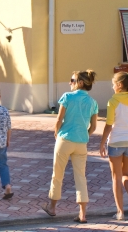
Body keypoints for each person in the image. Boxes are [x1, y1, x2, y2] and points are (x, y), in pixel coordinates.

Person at [42, 70, 98, 224]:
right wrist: (84, 134)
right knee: (80, 176)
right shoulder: (93, 102)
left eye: (72, 80)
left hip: (65, 139)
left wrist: (56, 132)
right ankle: (82, 214)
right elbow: (93, 127)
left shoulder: (67, 97)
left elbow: (59, 119)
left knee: (57, 173)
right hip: (81, 143)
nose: (70, 83)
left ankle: (52, 208)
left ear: (80, 82)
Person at [99, 72, 128, 221]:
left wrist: (102, 143)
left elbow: (109, 125)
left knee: (116, 177)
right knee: (126, 174)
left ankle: (120, 212)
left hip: (116, 141)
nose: (112, 86)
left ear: (119, 85)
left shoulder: (113, 101)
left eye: (113, 84)